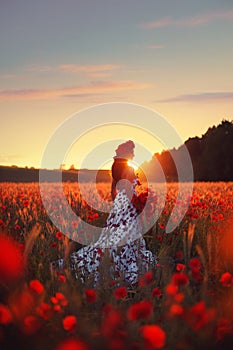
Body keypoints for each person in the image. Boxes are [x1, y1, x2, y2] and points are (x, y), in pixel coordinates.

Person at [69, 140, 157, 286]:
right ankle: (125, 264)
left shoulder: (115, 167)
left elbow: (113, 191)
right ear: (127, 153)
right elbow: (129, 191)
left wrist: (118, 204)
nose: (134, 154)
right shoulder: (128, 169)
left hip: (120, 203)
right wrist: (138, 203)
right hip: (129, 202)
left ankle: (111, 257)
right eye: (132, 151)